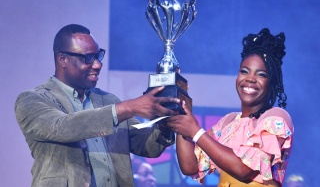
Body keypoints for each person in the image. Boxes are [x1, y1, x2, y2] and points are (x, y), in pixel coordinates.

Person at [15, 24, 180, 187]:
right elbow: (63, 127)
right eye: (88, 58)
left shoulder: (108, 101)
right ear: (62, 59)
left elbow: (147, 147)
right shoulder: (32, 100)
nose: (97, 65)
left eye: (98, 56)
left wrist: (166, 118)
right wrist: (129, 107)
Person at [167, 28, 294, 187]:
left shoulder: (276, 117)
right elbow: (190, 166)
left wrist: (196, 132)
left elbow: (244, 168)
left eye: (261, 74)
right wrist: (182, 112)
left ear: (272, 82)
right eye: (244, 71)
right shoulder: (228, 121)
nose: (250, 79)